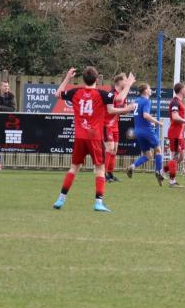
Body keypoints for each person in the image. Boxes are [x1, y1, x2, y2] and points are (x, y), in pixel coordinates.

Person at [52, 67, 135, 212]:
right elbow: (120, 99)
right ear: (97, 79)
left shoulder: (75, 92)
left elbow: (57, 94)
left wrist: (67, 78)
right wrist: (128, 85)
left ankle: (60, 199)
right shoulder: (101, 94)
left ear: (83, 79)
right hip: (95, 137)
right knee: (100, 168)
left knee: (74, 168)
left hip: (79, 137)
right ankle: (98, 202)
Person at [125, 83, 165, 183]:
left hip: (138, 131)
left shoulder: (136, 101)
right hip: (147, 130)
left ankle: (131, 167)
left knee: (148, 155)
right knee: (158, 150)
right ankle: (159, 172)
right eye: (149, 88)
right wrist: (158, 122)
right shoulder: (147, 101)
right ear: (145, 91)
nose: (151, 90)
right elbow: (146, 115)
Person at [103, 73, 135, 183]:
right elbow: (110, 110)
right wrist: (126, 109)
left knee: (114, 150)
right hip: (106, 124)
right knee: (110, 148)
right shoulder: (111, 94)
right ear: (120, 81)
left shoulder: (122, 95)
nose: (126, 83)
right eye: (125, 80)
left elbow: (122, 111)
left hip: (115, 125)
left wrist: (129, 109)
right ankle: (102, 174)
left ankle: (110, 174)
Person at [164, 82, 185, 187]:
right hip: (175, 133)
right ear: (181, 90)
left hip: (180, 134)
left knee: (181, 157)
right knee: (175, 157)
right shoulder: (175, 102)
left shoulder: (179, 102)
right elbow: (175, 117)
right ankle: (172, 181)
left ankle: (162, 171)